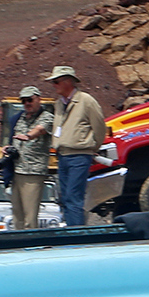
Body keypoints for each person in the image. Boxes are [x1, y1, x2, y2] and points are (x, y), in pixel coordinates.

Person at [47, 65, 105, 226]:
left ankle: (76, 235)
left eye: (56, 81)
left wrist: (92, 148)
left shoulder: (86, 101)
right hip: (63, 156)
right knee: (65, 197)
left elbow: (99, 127)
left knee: (73, 197)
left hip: (79, 156)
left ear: (68, 82)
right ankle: (71, 232)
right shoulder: (59, 104)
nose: (54, 85)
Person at [9, 85, 54, 229]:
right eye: (23, 101)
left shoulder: (46, 116)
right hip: (17, 171)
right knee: (17, 215)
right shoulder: (19, 118)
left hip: (33, 172)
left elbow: (40, 129)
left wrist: (28, 136)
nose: (27, 104)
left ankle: (30, 245)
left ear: (38, 99)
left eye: (30, 100)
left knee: (30, 216)